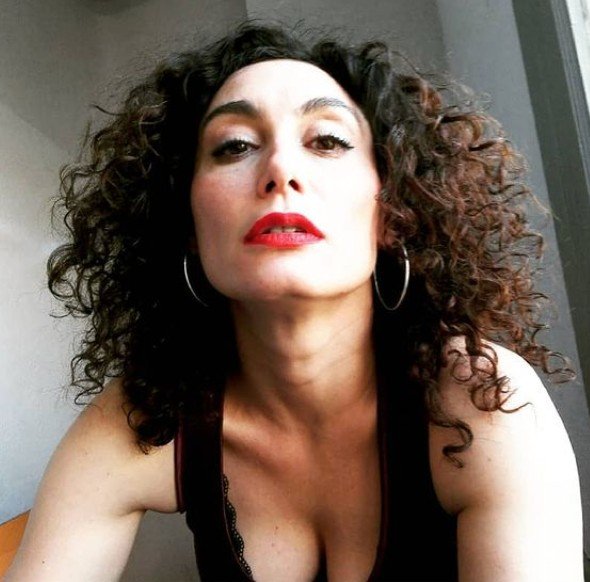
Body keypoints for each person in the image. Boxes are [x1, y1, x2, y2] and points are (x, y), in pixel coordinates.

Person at [6, 21, 584, 582]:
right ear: (187, 223)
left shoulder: (483, 401)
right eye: (234, 146)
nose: (280, 168)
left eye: (328, 141)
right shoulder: (147, 413)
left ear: (392, 211)